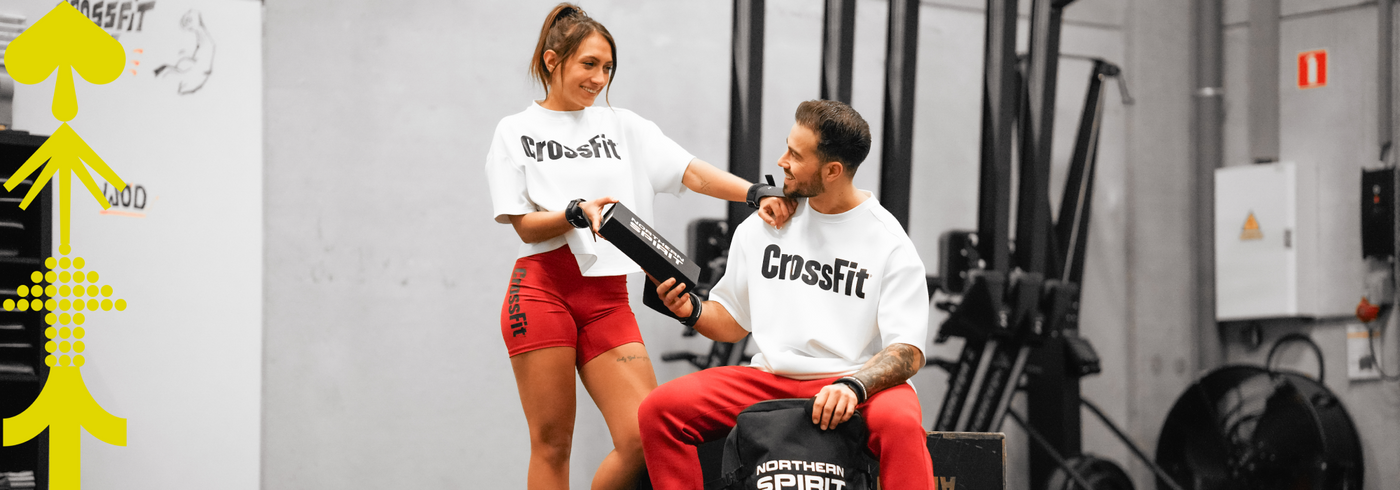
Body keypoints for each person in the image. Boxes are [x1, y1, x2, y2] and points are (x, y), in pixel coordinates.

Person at [485, 4, 794, 490]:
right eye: (588, 64)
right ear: (551, 60)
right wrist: (574, 211)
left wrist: (754, 193)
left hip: (608, 302)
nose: (599, 78)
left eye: (607, 67)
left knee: (642, 437)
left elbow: (691, 172)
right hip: (542, 292)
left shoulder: (624, 126)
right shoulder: (515, 131)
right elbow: (524, 226)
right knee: (552, 443)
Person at [641, 100, 936, 489]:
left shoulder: (888, 242)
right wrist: (692, 310)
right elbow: (731, 322)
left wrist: (853, 386)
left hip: (854, 381)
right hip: (771, 377)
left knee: (900, 422)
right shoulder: (767, 223)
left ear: (832, 170)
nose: (782, 161)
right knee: (660, 412)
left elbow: (907, 352)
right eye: (786, 148)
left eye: (796, 156)